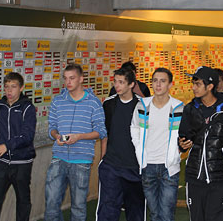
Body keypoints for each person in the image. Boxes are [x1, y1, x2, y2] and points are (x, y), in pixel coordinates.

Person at [44, 64, 107, 221]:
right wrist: (56, 135)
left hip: (82, 160)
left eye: (72, 78)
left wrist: (79, 137)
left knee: (78, 207)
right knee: (51, 203)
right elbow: (52, 127)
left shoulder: (93, 103)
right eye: (65, 78)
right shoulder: (58, 101)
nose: (68, 82)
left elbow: (101, 131)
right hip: (58, 157)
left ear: (81, 79)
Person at [178, 66, 223, 221]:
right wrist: (182, 144)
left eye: (198, 84)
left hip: (220, 181)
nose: (193, 88)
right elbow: (183, 138)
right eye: (193, 83)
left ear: (210, 86)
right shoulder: (190, 109)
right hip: (194, 179)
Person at [130, 68, 184, 221]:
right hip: (148, 166)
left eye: (163, 81)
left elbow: (185, 134)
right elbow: (134, 127)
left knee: (166, 214)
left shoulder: (178, 107)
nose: (158, 84)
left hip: (169, 168)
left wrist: (177, 152)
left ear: (170, 84)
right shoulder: (142, 105)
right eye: (155, 81)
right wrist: (139, 151)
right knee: (154, 214)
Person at [0, 72, 37, 221]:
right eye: (6, 87)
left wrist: (7, 146)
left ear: (21, 88)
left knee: (23, 202)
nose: (9, 91)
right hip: (1, 163)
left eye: (13, 87)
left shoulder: (28, 108)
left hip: (22, 164)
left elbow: (27, 137)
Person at [96, 68, 145, 221]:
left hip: (135, 168)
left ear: (131, 84)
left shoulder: (143, 106)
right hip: (111, 166)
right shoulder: (109, 104)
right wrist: (103, 158)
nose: (117, 85)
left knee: (135, 211)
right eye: (115, 81)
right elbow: (105, 133)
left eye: (121, 82)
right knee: (107, 210)